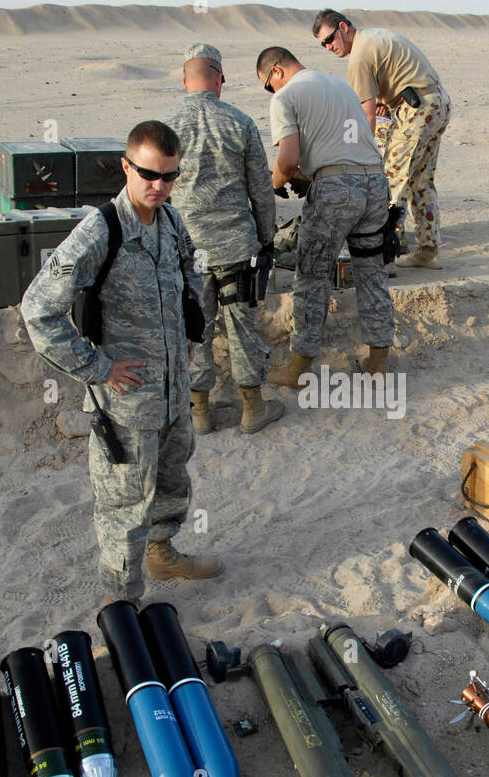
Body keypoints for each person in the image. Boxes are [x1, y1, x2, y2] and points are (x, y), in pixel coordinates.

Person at [21, 120, 221, 606]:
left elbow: (191, 276)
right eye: (150, 174)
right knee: (125, 507)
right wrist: (96, 368)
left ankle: (162, 555)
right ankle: (121, 605)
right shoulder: (99, 232)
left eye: (171, 176)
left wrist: (191, 331)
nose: (160, 186)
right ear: (126, 166)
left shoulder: (171, 222)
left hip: (172, 394)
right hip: (126, 403)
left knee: (172, 484)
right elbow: (38, 309)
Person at [164, 42, 284, 436]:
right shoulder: (239, 122)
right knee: (243, 329)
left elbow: (155, 190)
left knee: (194, 327)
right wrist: (266, 240)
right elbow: (261, 192)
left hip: (187, 251)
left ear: (185, 81)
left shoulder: (168, 128)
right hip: (237, 248)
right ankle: (252, 409)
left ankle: (199, 412)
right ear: (219, 80)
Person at [256, 45, 395, 384]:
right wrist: (313, 174)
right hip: (375, 183)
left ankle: (298, 367)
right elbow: (344, 142)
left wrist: (272, 185)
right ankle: (377, 362)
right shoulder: (339, 85)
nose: (270, 91)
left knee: (312, 274)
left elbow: (287, 160)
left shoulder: (285, 96)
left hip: (336, 191)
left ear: (276, 71)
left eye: (267, 84)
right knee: (371, 272)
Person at [312, 9, 450, 270]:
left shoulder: (359, 57)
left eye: (330, 39)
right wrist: (386, 102)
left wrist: (357, 152)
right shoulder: (373, 38)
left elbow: (364, 115)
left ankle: (380, 256)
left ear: (343, 27)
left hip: (417, 110)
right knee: (420, 181)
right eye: (323, 44)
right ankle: (428, 250)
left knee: (389, 181)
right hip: (435, 103)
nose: (328, 47)